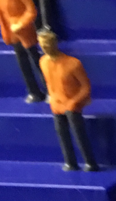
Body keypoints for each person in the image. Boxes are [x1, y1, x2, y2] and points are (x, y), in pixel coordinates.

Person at [38, 28, 98, 172]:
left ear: (55, 43)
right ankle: (70, 162)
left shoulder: (73, 63)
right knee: (62, 135)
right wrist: (51, 97)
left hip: (72, 104)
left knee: (79, 135)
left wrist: (74, 101)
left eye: (47, 44)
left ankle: (90, 162)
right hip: (56, 104)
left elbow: (85, 87)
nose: (45, 48)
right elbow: (49, 83)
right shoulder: (43, 62)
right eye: (42, 45)